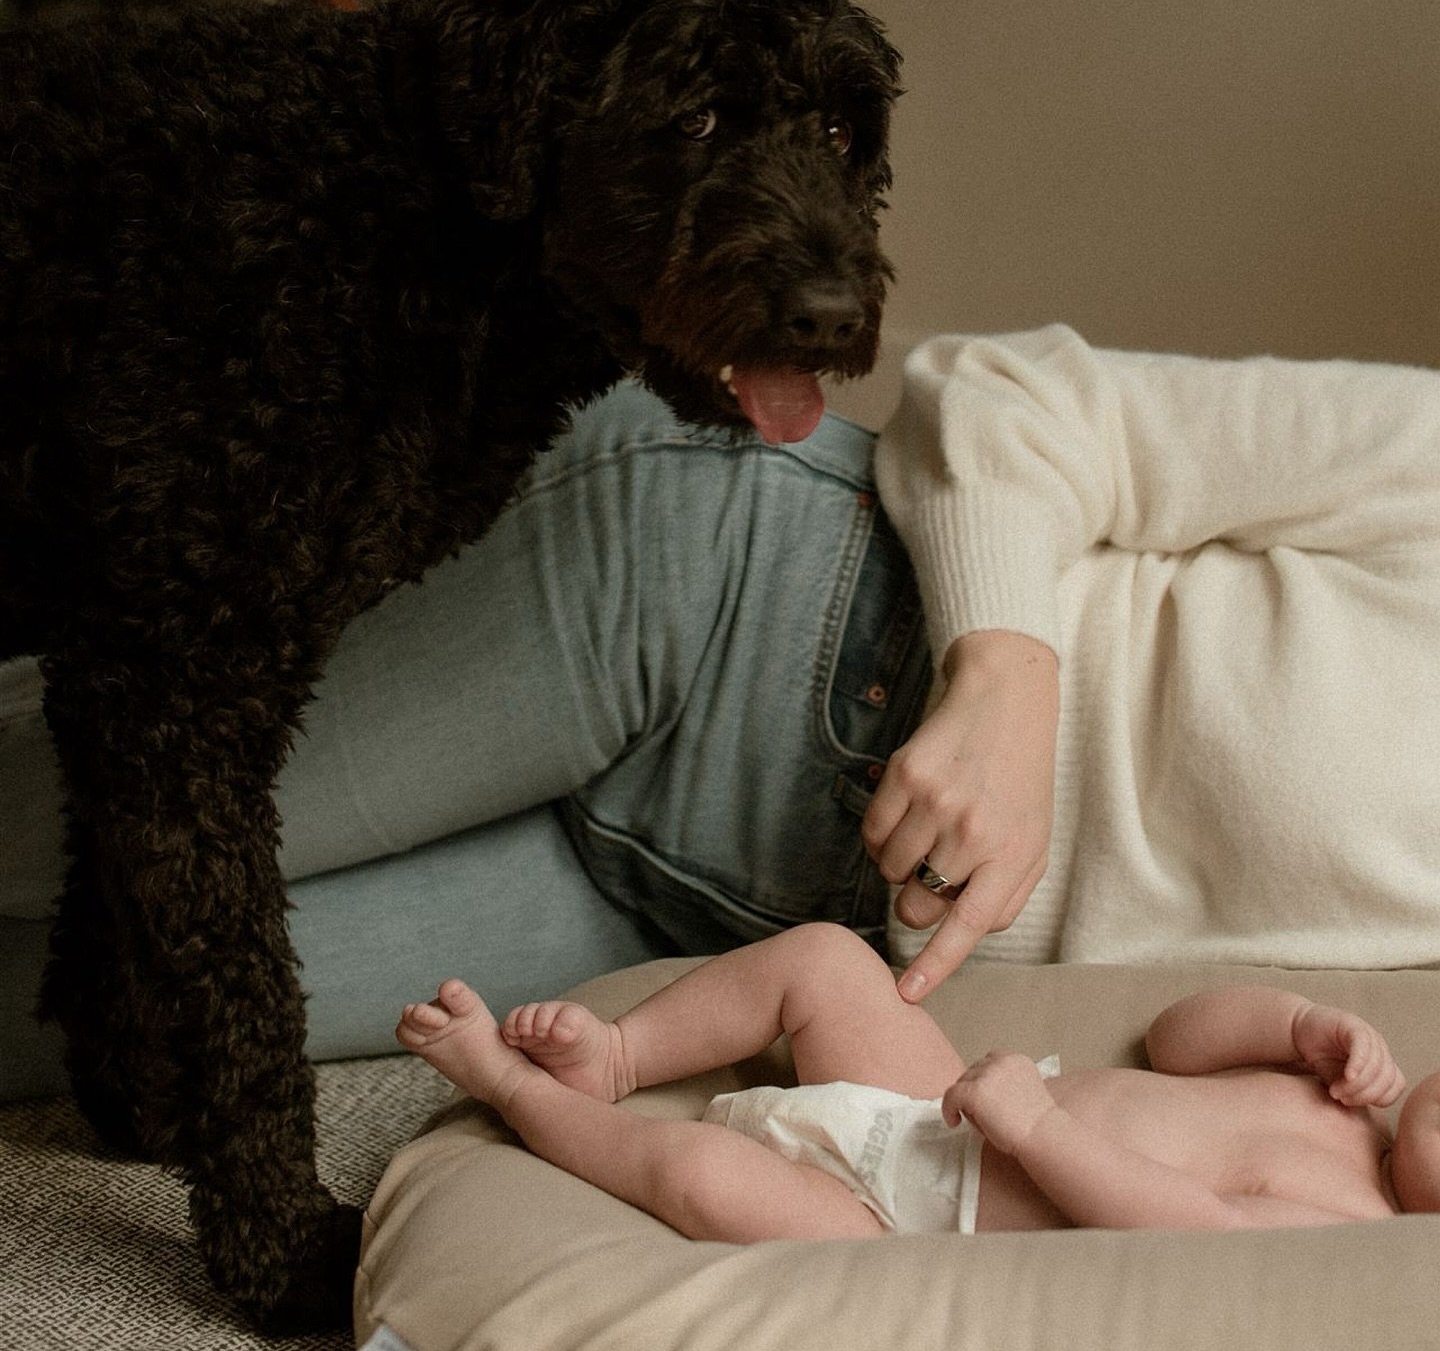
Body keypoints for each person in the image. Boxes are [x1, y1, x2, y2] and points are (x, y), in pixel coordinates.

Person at [5, 325, 1440, 1098]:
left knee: (101, 1016)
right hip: (752, 604)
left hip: (743, 938)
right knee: (82, 819)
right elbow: (1011, 392)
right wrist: (1007, 678)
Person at [394, 920, 1440, 1238]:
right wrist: (1297, 1021)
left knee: (703, 1180)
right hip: (938, 1103)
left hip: (919, 1224)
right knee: (826, 962)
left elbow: (1186, 1227)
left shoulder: (1353, 1228)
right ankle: (619, 1056)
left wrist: (1037, 1133)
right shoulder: (1349, 1086)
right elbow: (1176, 1038)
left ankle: (515, 1089)